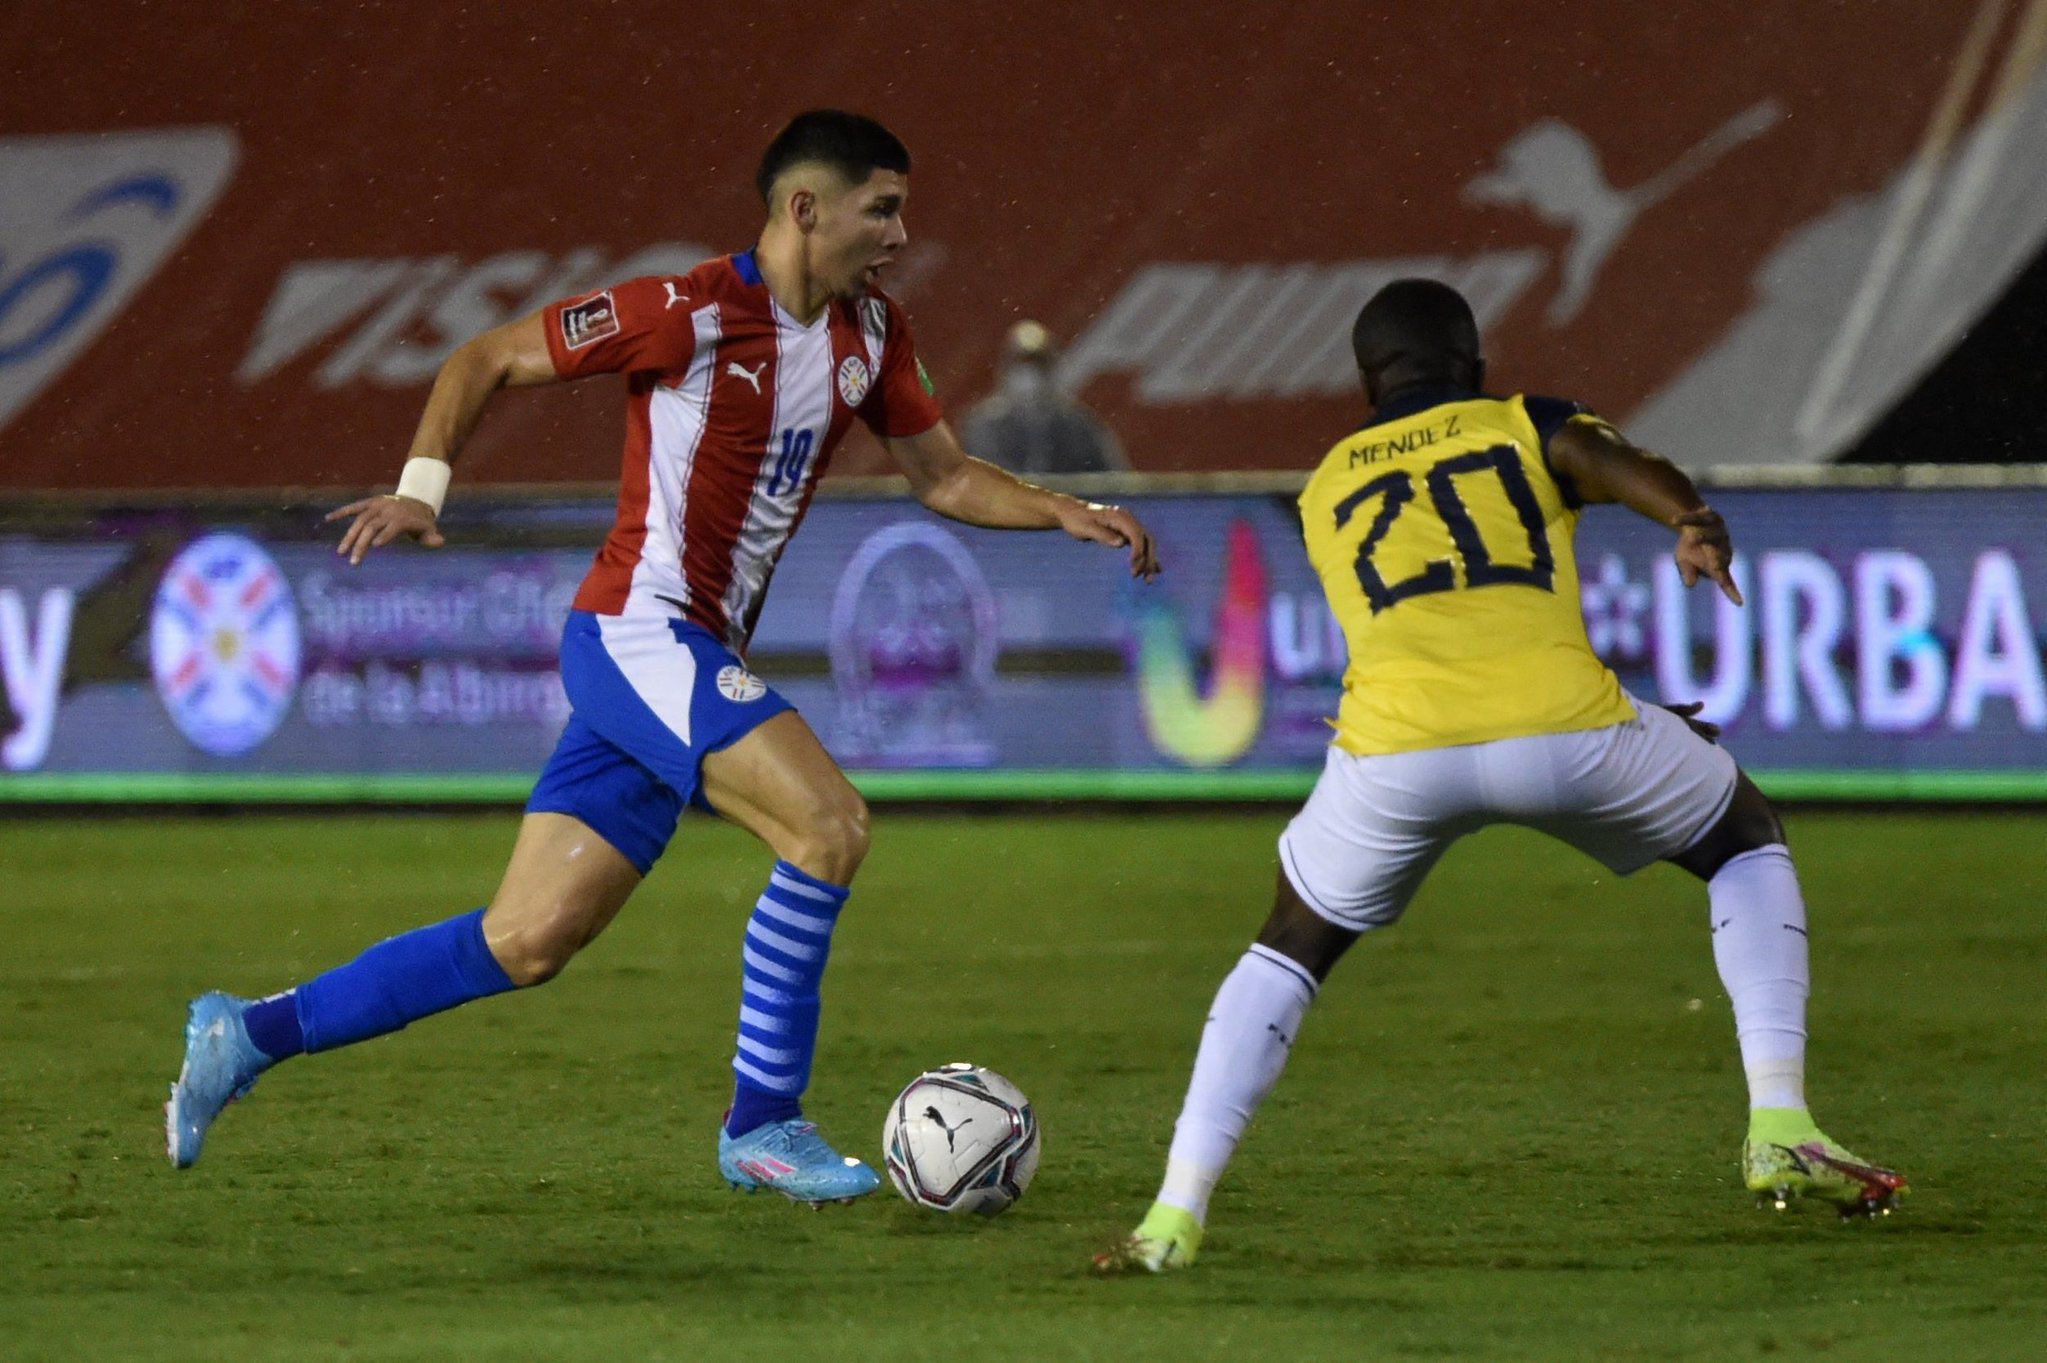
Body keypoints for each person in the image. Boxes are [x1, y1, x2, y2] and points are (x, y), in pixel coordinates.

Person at [164, 110, 1160, 1205]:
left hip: (680, 657)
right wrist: (421, 486)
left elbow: (945, 476)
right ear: (802, 209)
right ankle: (762, 1123)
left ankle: (246, 1036)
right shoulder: (686, 311)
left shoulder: (871, 334)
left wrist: (1065, 509)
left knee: (527, 938)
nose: (900, 230)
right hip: (637, 632)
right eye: (882, 207)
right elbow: (487, 354)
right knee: (828, 828)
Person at [1098, 278, 1903, 1272]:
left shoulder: (1325, 487)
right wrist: (1686, 516)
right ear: (1475, 367)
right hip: (1564, 732)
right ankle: (1779, 1113)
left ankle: (1171, 1217)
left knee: (1287, 950)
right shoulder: (1519, 422)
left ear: (1364, 381)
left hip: (1393, 755)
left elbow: (1433, 615)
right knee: (1744, 838)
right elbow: (1612, 464)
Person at [960, 320, 1126, 475]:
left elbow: (1111, 480)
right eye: (1023, 363)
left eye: (1038, 364)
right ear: (1008, 367)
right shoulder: (985, 427)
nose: (1031, 374)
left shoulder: (1079, 426)